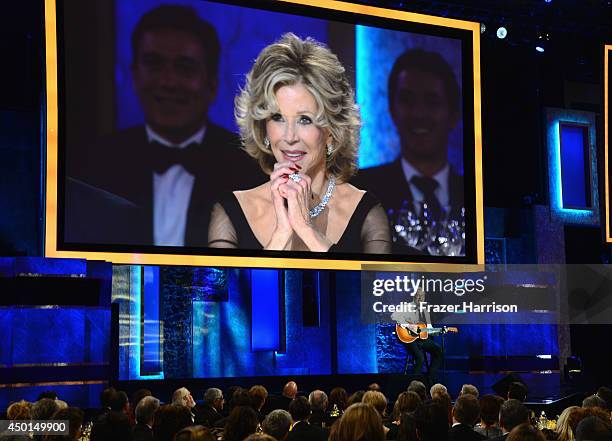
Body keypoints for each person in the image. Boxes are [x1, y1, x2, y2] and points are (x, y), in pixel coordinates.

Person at [70, 4, 264, 247]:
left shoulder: (249, 169)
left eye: (184, 68)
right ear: (134, 75)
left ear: (212, 84)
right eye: (154, 64)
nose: (168, 82)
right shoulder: (95, 162)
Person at [207, 33, 392, 254]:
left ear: (331, 132)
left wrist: (306, 230)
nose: (290, 137)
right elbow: (230, 289)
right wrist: (282, 234)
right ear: (264, 128)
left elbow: (373, 288)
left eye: (305, 119)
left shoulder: (367, 212)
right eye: (277, 118)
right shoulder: (229, 211)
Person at [352, 49, 464, 253]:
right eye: (407, 100)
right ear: (392, 111)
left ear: (453, 114)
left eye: (432, 101)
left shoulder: (473, 195)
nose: (419, 113)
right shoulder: (359, 191)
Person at [392, 289, 444, 383]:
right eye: (418, 295)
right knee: (420, 358)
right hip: (409, 339)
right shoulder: (406, 306)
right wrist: (409, 326)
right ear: (414, 296)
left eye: (422, 296)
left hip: (421, 339)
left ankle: (430, 378)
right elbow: (394, 316)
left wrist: (439, 331)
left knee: (437, 349)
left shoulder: (425, 311)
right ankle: (414, 384)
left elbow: (428, 329)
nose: (420, 298)